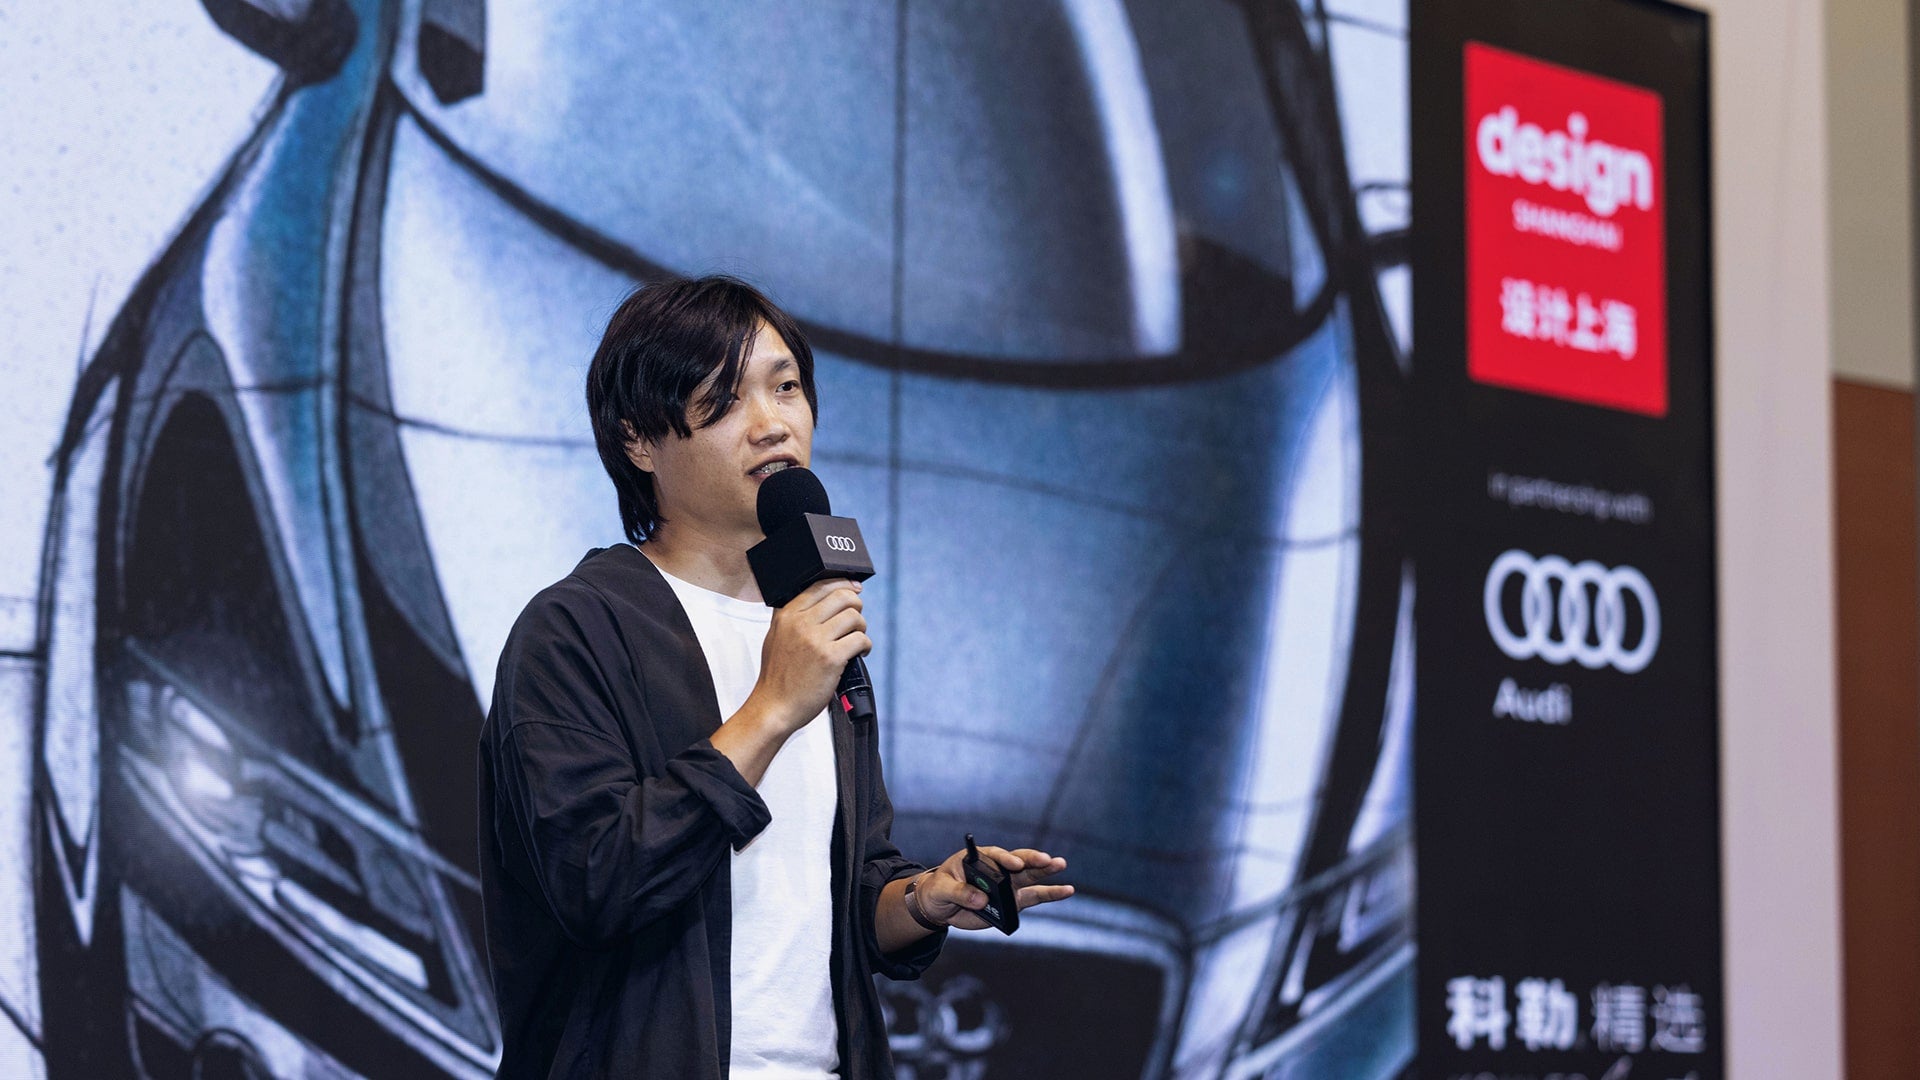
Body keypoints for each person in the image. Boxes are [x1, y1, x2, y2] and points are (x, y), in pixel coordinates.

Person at [477, 275, 1074, 1079]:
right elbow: (596, 884)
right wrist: (772, 706)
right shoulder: (576, 629)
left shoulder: (815, 620)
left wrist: (923, 899)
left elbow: (842, 891)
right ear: (639, 441)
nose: (772, 425)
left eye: (786, 388)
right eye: (724, 401)